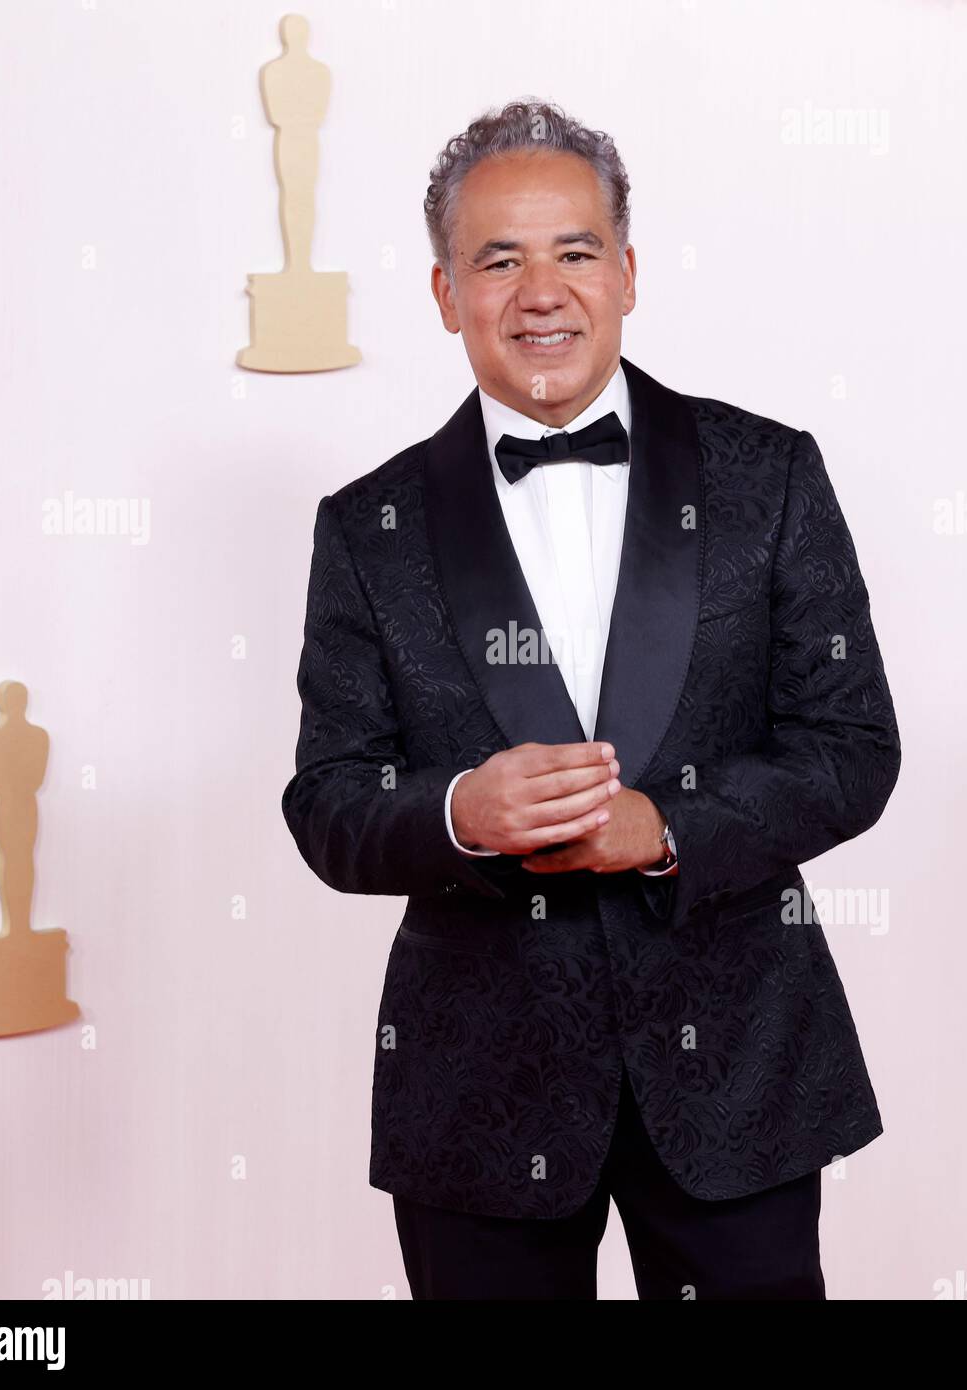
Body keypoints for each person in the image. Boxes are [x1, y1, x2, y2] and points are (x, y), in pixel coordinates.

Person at [281, 99, 902, 1300]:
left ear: (626, 272)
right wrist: (462, 811)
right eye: (497, 259)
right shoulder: (368, 528)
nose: (540, 292)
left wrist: (664, 827)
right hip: (474, 1089)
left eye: (572, 252)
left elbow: (852, 748)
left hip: (738, 1071)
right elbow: (329, 802)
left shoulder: (770, 474)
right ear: (444, 292)